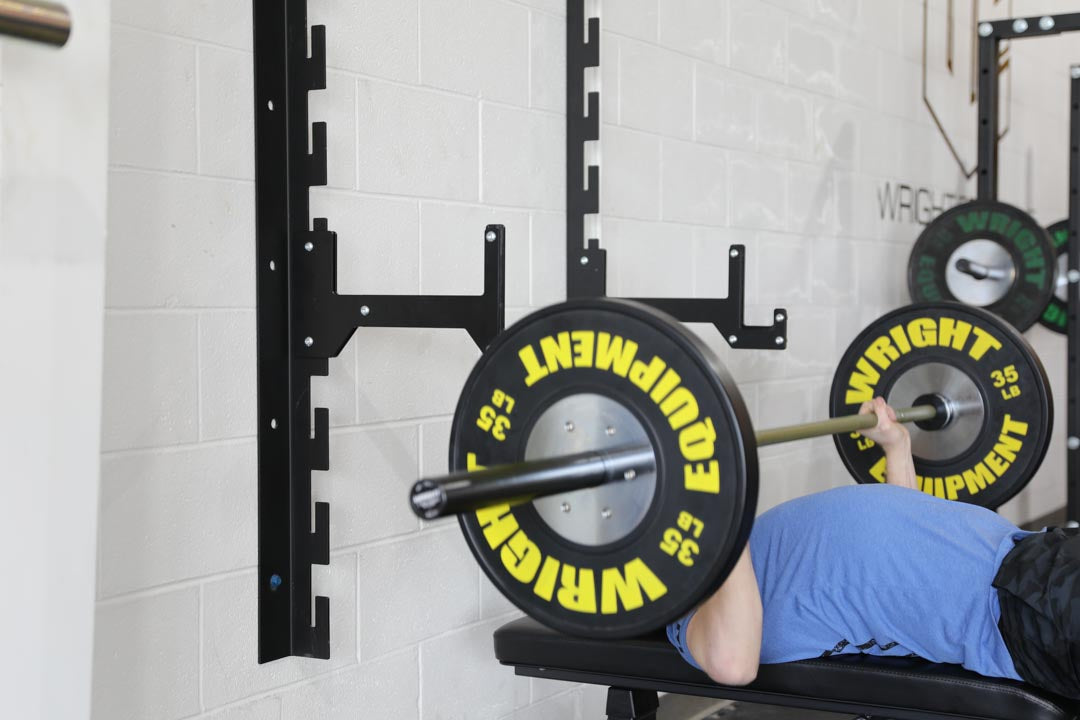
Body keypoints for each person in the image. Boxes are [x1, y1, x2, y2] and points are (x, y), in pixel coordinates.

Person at [666, 397, 1080, 699]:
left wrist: (895, 445)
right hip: (1018, 605)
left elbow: (908, 528)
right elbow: (732, 667)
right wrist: (723, 506)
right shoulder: (697, 608)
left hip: (1034, 557)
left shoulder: (735, 554)